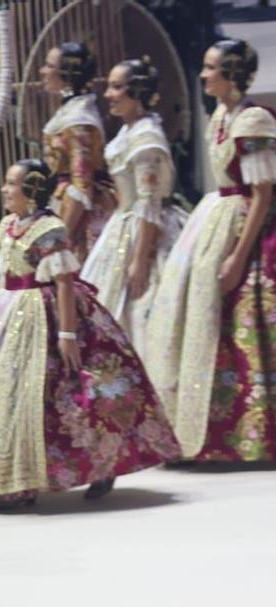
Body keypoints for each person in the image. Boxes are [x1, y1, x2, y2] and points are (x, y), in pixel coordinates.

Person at [0, 160, 177, 509]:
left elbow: (64, 282)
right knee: (5, 392)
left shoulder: (50, 229)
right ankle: (12, 478)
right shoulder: (7, 225)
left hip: (45, 312)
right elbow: (6, 272)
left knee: (60, 392)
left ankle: (95, 466)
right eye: (7, 183)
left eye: (13, 184)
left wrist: (67, 334)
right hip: (8, 311)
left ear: (34, 189)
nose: (5, 190)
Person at [143, 41, 276, 464]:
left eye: (211, 68)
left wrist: (239, 254)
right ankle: (213, 430)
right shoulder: (221, 115)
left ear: (232, 73)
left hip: (245, 225)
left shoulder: (253, 120)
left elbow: (262, 192)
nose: (203, 76)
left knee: (249, 316)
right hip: (216, 216)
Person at [80, 58, 185, 357]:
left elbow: (148, 201)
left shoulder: (146, 139)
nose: (108, 95)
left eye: (117, 87)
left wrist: (140, 259)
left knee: (140, 308)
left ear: (136, 92)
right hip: (123, 224)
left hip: (143, 230)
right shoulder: (130, 131)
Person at [39, 41, 112, 266]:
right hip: (62, 199)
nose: (42, 71)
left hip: (79, 213)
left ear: (66, 74)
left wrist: (61, 238)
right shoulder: (71, 110)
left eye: (49, 66)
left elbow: (82, 186)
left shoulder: (80, 120)